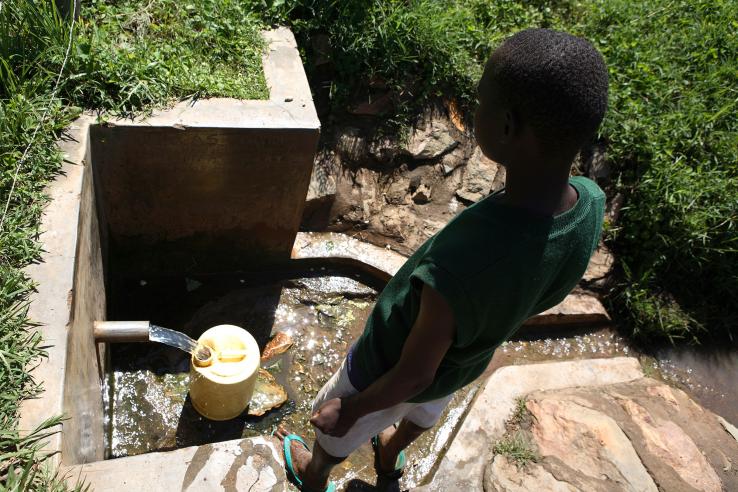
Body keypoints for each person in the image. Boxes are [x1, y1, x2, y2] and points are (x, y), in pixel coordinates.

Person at [276, 28, 609, 492]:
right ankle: (391, 454)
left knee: (334, 429)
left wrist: (350, 409)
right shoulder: (591, 203)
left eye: (480, 102)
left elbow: (413, 373)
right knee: (424, 412)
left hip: (385, 369)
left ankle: (314, 476)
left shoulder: (460, 266)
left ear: (508, 126)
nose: (474, 112)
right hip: (465, 362)